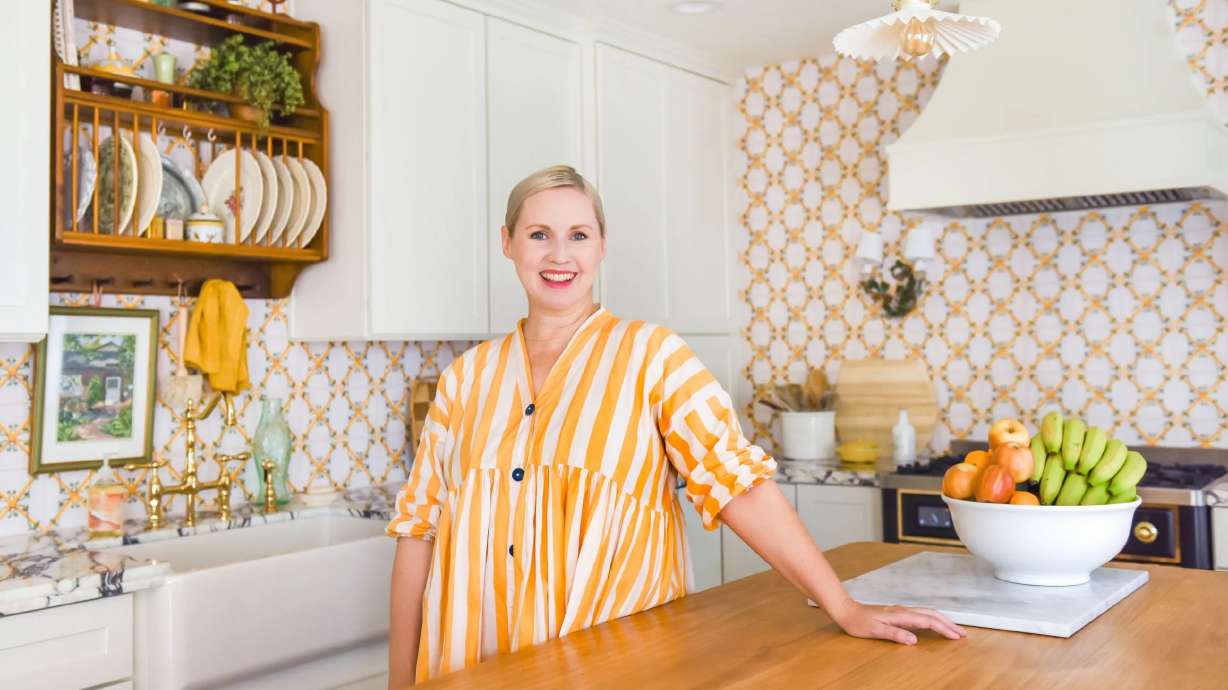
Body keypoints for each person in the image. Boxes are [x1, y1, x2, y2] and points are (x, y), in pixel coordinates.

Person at [386, 165, 964, 687]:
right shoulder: (466, 379)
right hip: (468, 669)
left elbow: (739, 484)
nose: (559, 254)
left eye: (578, 235)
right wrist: (399, 681)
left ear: (602, 246)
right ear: (507, 242)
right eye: (539, 234)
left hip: (612, 669)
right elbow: (419, 534)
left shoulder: (652, 356)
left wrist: (842, 605)